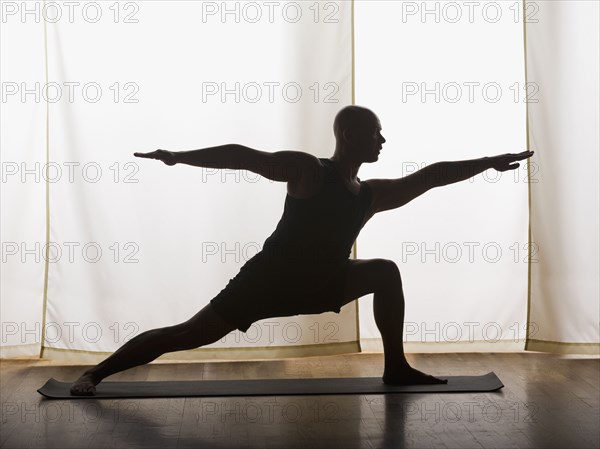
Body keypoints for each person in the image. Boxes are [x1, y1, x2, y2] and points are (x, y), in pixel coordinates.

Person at [70, 105, 533, 395]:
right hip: (268, 282)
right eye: (377, 133)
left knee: (384, 271)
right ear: (350, 136)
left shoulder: (368, 193)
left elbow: (430, 175)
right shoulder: (310, 171)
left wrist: (487, 163)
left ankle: (396, 367)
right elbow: (241, 154)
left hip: (323, 281)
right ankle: (96, 373)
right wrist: (179, 156)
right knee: (185, 336)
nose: (384, 140)